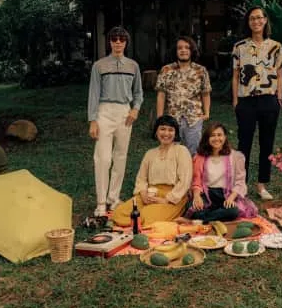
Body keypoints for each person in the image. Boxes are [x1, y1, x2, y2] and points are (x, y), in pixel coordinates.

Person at [88, 26, 143, 217]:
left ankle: (113, 198)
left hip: (124, 113)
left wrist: (135, 109)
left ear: (126, 42)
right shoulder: (99, 65)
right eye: (114, 39)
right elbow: (93, 94)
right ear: (110, 42)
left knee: (120, 156)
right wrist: (93, 120)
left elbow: (138, 92)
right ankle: (101, 203)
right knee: (103, 158)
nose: (118, 42)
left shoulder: (133, 66)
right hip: (104, 111)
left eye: (121, 39)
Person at [232, 6, 282, 200]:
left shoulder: (276, 46)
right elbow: (235, 76)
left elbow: (279, 75)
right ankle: (241, 185)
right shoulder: (239, 47)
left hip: (269, 100)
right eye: (252, 18)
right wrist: (236, 100)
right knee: (244, 143)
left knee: (266, 142)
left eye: (259, 18)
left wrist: (279, 97)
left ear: (265, 20)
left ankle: (262, 184)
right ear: (248, 22)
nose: (256, 21)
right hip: (246, 100)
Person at [111, 115, 192, 226]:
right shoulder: (150, 154)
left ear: (175, 133)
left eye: (170, 130)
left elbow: (185, 181)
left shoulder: (181, 151)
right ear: (156, 132)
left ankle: (138, 224)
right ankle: (136, 223)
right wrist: (143, 194)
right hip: (150, 194)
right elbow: (141, 178)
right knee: (119, 213)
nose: (166, 133)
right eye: (162, 129)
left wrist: (167, 200)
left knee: (146, 216)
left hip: (173, 197)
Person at [185, 122, 258, 223]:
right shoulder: (200, 157)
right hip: (206, 194)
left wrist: (231, 198)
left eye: (219, 135)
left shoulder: (236, 157)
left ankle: (202, 219)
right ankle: (213, 216)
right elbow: (196, 180)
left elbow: (240, 181)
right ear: (207, 138)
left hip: (226, 194)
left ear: (225, 137)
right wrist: (197, 196)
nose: (216, 138)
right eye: (212, 135)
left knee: (233, 211)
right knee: (192, 208)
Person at [155, 36, 211, 155]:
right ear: (175, 51)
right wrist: (160, 118)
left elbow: (205, 93)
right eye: (179, 48)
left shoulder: (201, 70)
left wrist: (206, 113)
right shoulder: (166, 70)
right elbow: (161, 94)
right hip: (172, 119)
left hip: (194, 119)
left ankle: (192, 168)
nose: (183, 50)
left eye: (187, 47)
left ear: (192, 51)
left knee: (194, 153)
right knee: (172, 153)